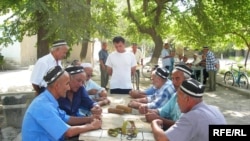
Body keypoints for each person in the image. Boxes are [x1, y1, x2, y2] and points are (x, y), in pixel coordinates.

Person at [22, 66, 102, 141]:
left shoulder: (48, 100)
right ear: (57, 86)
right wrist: (91, 126)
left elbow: (66, 118)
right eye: (67, 83)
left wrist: (90, 119)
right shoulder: (43, 106)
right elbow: (68, 132)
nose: (68, 87)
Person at [151, 78, 226, 141]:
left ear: (187, 99)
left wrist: (154, 124)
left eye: (178, 97)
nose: (177, 101)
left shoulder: (192, 117)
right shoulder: (215, 110)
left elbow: (162, 138)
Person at [142, 65, 192, 129]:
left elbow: (181, 125)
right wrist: (147, 110)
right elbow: (162, 111)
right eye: (173, 79)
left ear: (187, 80)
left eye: (177, 78)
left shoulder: (190, 99)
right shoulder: (175, 95)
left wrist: (158, 118)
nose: (174, 82)